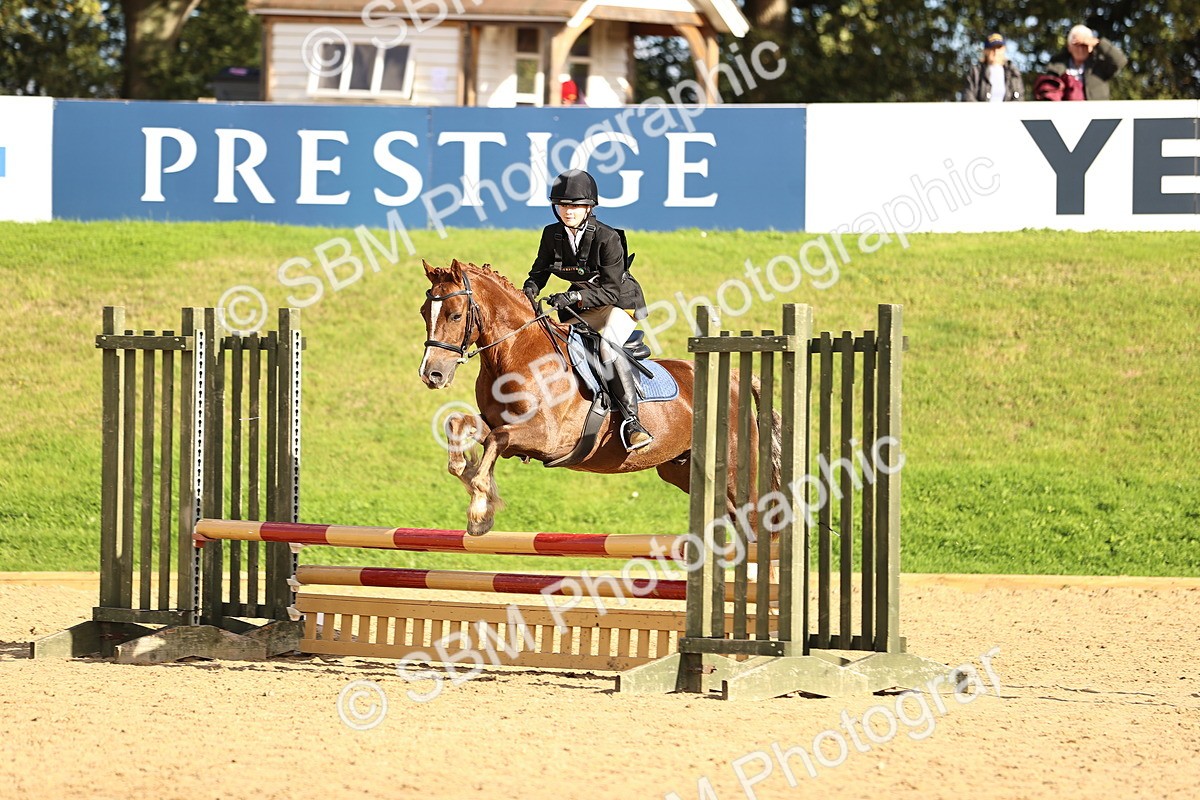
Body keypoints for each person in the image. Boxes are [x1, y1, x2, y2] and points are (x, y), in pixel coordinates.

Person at [523, 169, 652, 452]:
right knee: (560, 344)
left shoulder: (608, 238)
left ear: (588, 208)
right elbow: (540, 270)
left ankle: (633, 423)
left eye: (575, 206)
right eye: (563, 205)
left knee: (607, 348)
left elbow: (611, 290)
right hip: (586, 307)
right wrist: (530, 290)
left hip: (619, 304)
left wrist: (572, 296)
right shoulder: (551, 234)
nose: (568, 211)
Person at [1041, 25, 1127, 100]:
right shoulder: (1056, 67)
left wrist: (1098, 43)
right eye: (1077, 45)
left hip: (1096, 115)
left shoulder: (1099, 66)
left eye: (1084, 45)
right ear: (1069, 47)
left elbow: (1120, 61)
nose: (1081, 49)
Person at [963, 32, 1023, 102]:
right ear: (985, 51)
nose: (996, 51)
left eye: (999, 48)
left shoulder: (1012, 71)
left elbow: (1019, 97)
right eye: (992, 48)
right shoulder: (976, 72)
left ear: (1004, 49)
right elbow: (968, 95)